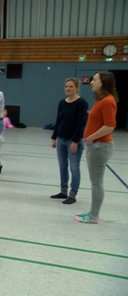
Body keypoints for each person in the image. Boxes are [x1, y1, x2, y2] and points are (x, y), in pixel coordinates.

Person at [75, 72, 118, 224]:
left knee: (96, 182)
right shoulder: (101, 100)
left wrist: (92, 137)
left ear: (103, 82)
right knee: (95, 181)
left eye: (94, 79)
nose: (91, 82)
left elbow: (110, 126)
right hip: (96, 145)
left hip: (100, 146)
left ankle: (94, 215)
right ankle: (93, 212)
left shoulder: (107, 101)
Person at [50, 77, 88, 205]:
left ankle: (73, 194)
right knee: (62, 166)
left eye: (71, 86)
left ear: (77, 88)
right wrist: (54, 137)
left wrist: (75, 141)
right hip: (61, 139)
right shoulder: (62, 103)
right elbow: (59, 120)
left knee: (74, 167)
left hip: (73, 140)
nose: (68, 88)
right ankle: (63, 191)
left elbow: (81, 123)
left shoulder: (81, 103)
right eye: (66, 86)